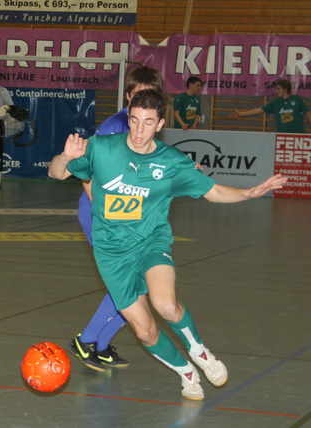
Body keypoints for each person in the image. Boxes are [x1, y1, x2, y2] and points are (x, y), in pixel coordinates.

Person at [49, 89, 287, 400]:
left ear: (160, 124)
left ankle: (199, 351)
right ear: (128, 118)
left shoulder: (171, 162)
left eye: (148, 122)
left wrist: (250, 193)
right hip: (111, 253)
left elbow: (213, 192)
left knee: (165, 305)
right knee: (145, 331)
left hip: (150, 241)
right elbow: (56, 173)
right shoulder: (101, 148)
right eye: (135, 120)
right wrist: (66, 156)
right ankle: (186, 372)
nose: (139, 130)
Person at [69, 66, 164, 372]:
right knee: (128, 281)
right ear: (127, 96)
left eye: (150, 95)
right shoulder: (116, 126)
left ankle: (100, 344)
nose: (144, 101)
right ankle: (87, 340)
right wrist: (104, 214)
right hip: (103, 215)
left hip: (128, 214)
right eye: (138, 95)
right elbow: (88, 171)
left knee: (137, 282)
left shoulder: (145, 126)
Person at [229, 79, 311, 133]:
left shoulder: (298, 100)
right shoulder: (275, 103)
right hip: (282, 136)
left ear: (285, 89)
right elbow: (259, 110)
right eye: (275, 88)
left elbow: (307, 114)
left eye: (278, 89)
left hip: (298, 135)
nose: (276, 91)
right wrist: (241, 114)